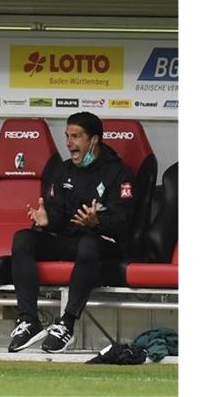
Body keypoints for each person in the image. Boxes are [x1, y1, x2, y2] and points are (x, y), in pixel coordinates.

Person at [8, 112, 134, 353]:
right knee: (23, 239)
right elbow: (58, 217)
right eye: (67, 136)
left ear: (94, 140)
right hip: (70, 242)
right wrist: (46, 221)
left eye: (76, 137)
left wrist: (97, 222)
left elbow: (123, 223)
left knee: (89, 242)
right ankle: (29, 321)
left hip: (105, 243)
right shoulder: (63, 170)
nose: (69, 143)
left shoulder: (119, 173)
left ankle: (66, 324)